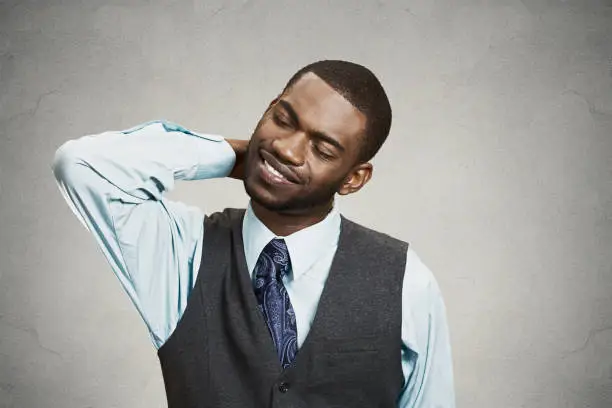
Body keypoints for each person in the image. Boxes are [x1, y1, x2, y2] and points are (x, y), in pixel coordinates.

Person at [52, 60, 455, 407]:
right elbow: (82, 165)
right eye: (283, 120)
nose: (289, 150)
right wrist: (235, 156)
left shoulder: (405, 281)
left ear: (354, 178)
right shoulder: (181, 252)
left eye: (323, 150)